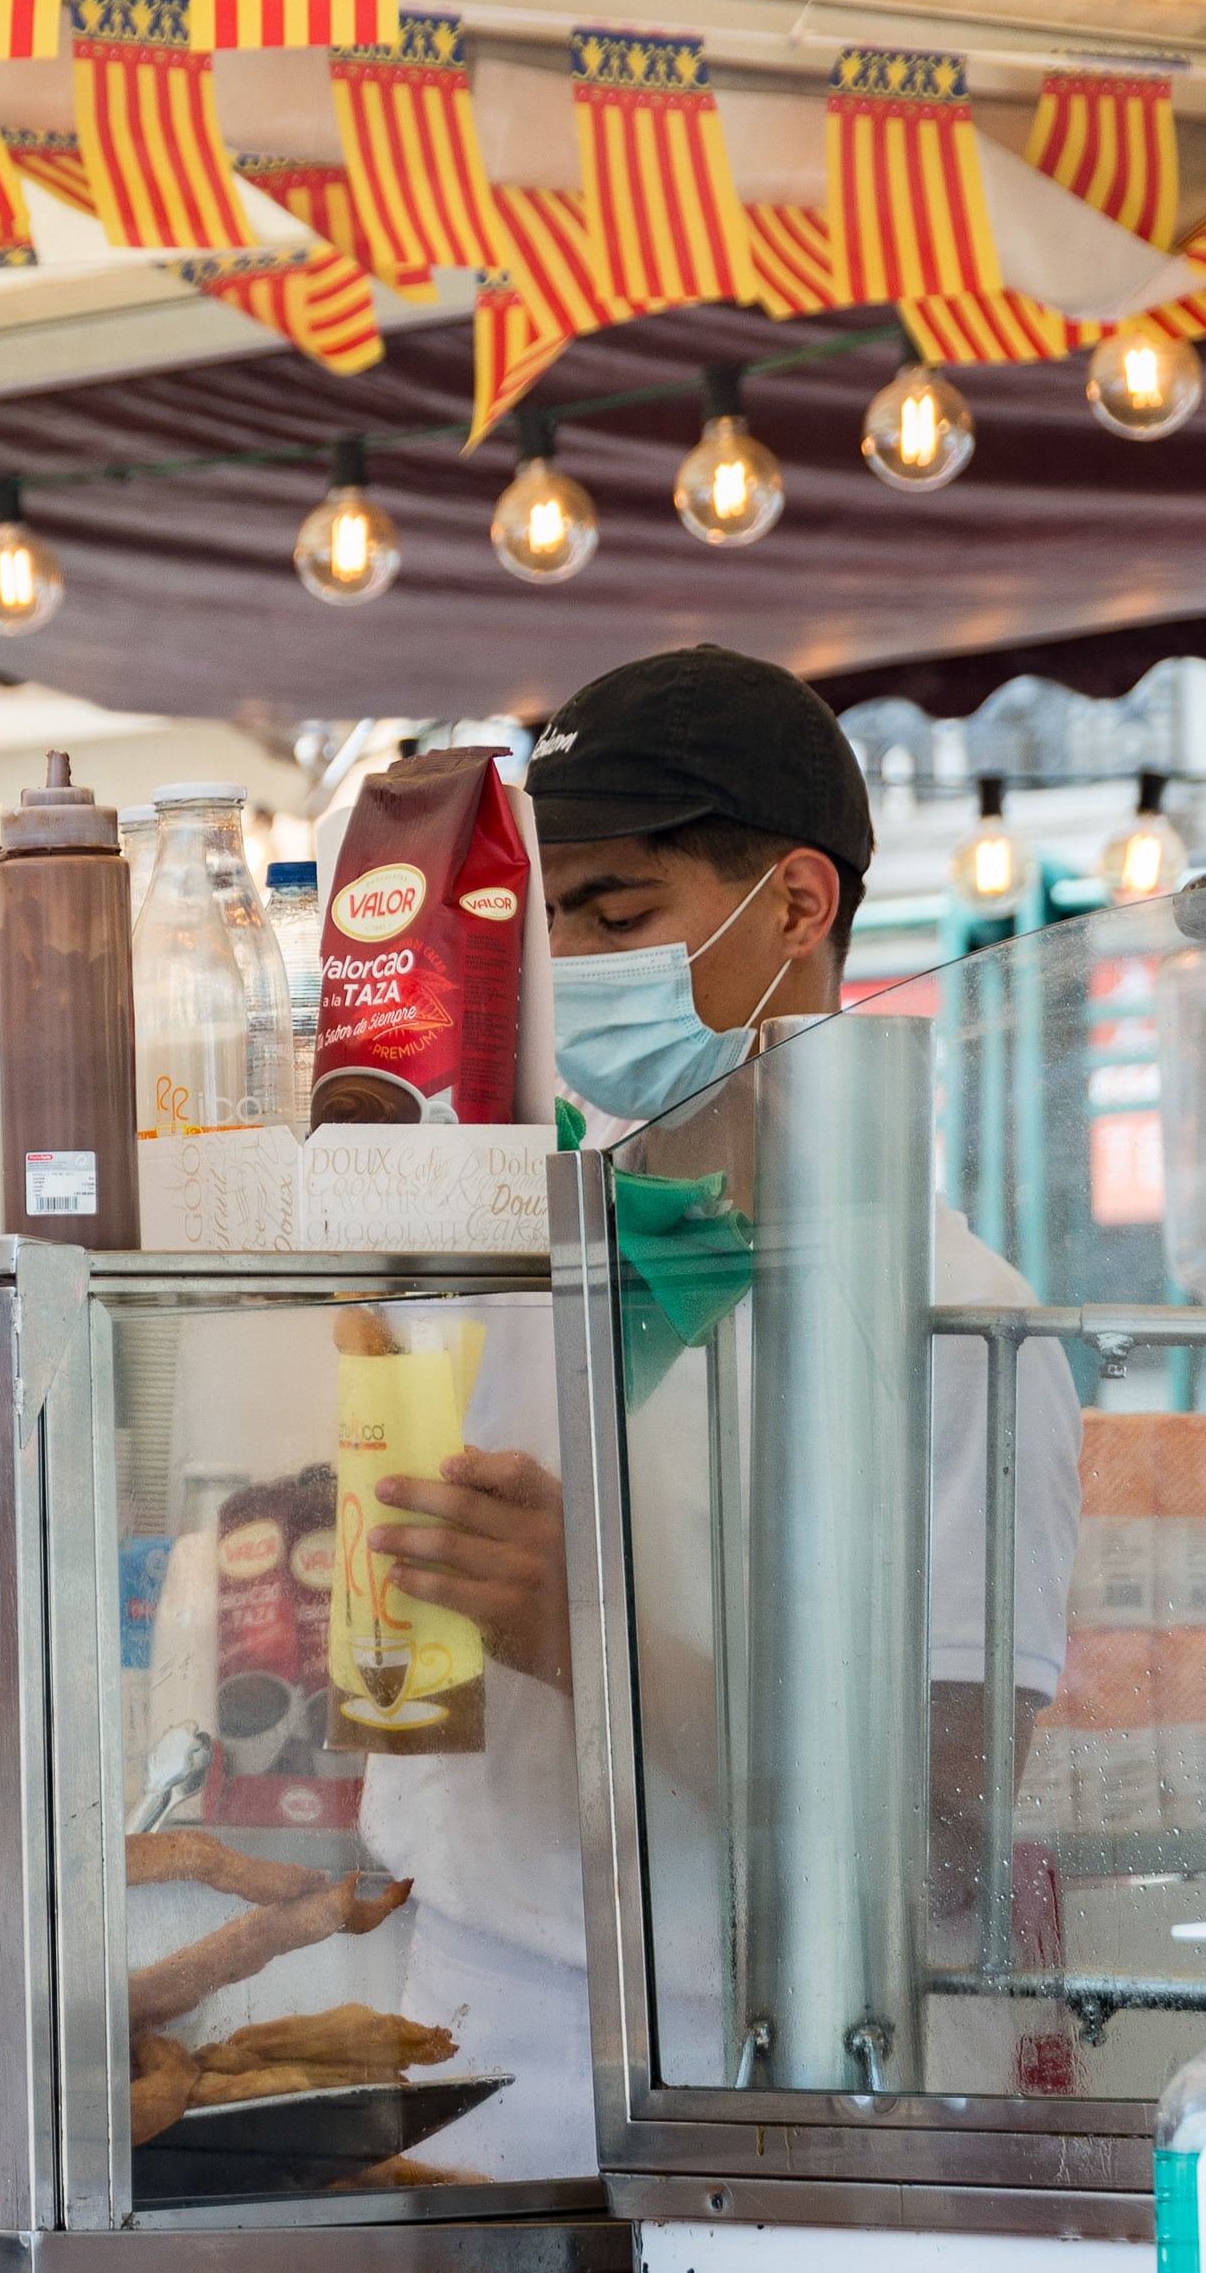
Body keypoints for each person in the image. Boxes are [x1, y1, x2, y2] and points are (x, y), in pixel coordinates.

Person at [365, 645, 1080, 2117]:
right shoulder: (488, 1255)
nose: (570, 959)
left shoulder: (951, 1322)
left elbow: (944, 1826)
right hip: (455, 2014)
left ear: (797, 906)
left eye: (618, 910)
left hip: (772, 2059)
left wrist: (587, 1625)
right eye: (543, 916)